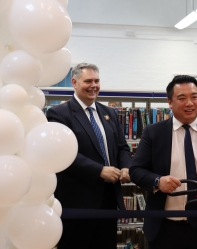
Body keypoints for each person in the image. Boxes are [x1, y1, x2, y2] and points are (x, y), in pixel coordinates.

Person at [129, 75, 197, 249]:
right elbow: (135, 170)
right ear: (169, 102)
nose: (189, 103)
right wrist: (157, 182)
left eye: (194, 97)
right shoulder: (153, 133)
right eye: (182, 98)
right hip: (164, 227)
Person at [46, 63, 132, 249]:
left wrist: (126, 166)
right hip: (77, 201)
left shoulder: (109, 113)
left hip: (109, 199)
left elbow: (122, 147)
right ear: (75, 83)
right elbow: (62, 153)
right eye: (88, 81)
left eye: (97, 81)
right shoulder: (59, 114)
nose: (94, 85)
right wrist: (99, 170)